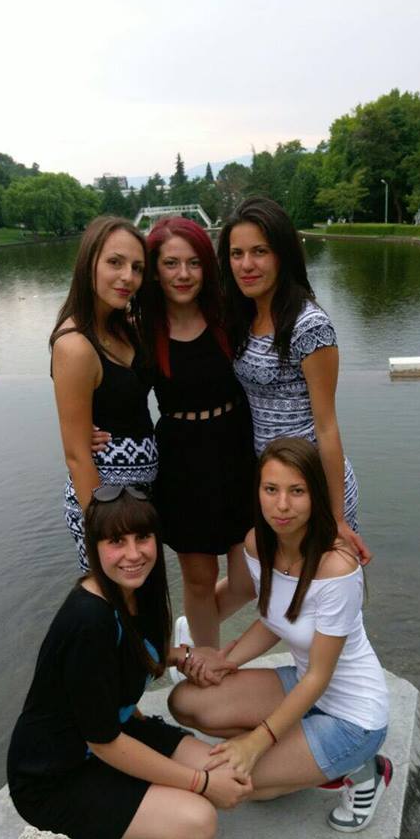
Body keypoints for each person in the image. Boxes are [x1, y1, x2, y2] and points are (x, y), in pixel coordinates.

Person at [7, 487, 251, 839]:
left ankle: (134, 800)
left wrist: (182, 655)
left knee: (229, 771)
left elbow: (129, 652)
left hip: (117, 730)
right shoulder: (89, 619)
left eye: (143, 537)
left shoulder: (138, 590)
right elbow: (103, 742)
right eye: (116, 541)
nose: (134, 554)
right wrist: (199, 783)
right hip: (57, 775)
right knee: (197, 821)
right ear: (94, 547)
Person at [169, 438, 392, 833]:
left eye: (297, 491)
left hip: (352, 718)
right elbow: (275, 620)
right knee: (186, 701)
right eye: (271, 489)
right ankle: (295, 757)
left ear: (316, 495)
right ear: (257, 492)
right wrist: (225, 661)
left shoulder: (337, 568)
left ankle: (362, 770)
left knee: (233, 783)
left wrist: (257, 741)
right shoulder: (258, 544)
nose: (282, 505)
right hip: (302, 690)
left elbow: (319, 676)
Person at [217, 196, 371, 564]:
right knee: (284, 587)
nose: (246, 265)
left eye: (259, 251)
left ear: (282, 255)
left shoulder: (309, 325)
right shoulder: (242, 317)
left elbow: (326, 426)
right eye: (237, 254)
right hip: (274, 489)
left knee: (322, 586)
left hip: (311, 486)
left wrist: (336, 517)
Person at [140, 217, 256, 647]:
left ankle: (190, 633)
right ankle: (205, 661)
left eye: (193, 263)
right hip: (182, 462)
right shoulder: (142, 330)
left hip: (236, 450)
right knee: (200, 578)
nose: (184, 274)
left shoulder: (229, 315)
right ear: (154, 270)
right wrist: (96, 428)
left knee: (250, 578)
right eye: (171, 263)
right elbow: (118, 389)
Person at [50, 216, 158, 572]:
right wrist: (107, 532)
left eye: (137, 267)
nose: (128, 276)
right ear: (89, 264)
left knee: (144, 600)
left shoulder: (123, 326)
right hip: (105, 505)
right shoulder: (75, 346)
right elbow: (77, 455)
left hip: (140, 501)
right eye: (115, 262)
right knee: (111, 600)